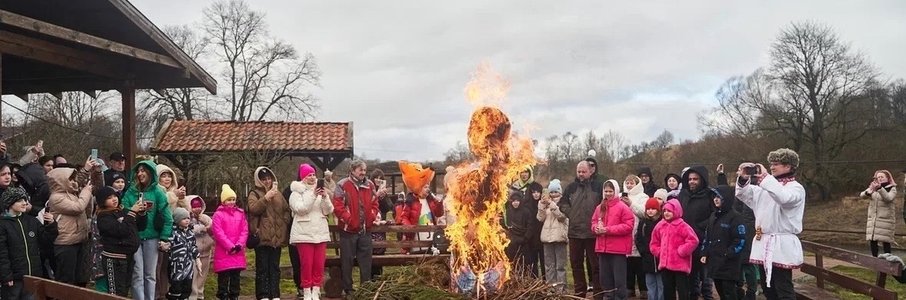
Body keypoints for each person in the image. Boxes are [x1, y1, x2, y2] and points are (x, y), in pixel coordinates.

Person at [735, 148, 805, 300]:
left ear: (788, 166)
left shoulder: (796, 188)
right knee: (769, 289)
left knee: (783, 288)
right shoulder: (765, 188)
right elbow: (743, 194)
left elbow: (784, 198)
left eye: (777, 164)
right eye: (771, 164)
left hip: (781, 243)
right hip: (764, 241)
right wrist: (743, 178)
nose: (772, 167)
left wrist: (766, 178)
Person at [120, 160, 174, 300]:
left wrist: (164, 238)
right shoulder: (130, 192)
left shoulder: (158, 192)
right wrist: (133, 210)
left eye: (143, 170)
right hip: (135, 238)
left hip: (152, 238)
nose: (140, 173)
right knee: (137, 273)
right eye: (138, 171)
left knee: (150, 273)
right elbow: (122, 211)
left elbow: (168, 218)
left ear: (150, 172)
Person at [48, 157, 101, 286]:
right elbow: (78, 207)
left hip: (79, 240)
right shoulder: (56, 198)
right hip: (66, 244)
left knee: (80, 279)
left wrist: (86, 169)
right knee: (66, 281)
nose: (74, 182)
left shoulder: (71, 192)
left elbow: (77, 181)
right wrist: (86, 192)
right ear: (61, 181)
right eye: (69, 179)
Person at [331, 160, 381, 296]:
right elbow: (338, 206)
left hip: (365, 230)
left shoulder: (370, 185)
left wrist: (371, 215)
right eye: (360, 170)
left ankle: (365, 289)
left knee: (366, 262)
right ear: (352, 170)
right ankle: (348, 289)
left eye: (364, 170)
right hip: (348, 231)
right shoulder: (342, 185)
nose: (363, 173)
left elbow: (375, 203)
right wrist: (349, 220)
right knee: (347, 262)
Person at [558, 161, 603, 299]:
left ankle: (598, 293)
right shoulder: (571, 187)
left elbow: (604, 204)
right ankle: (579, 292)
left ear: (590, 171)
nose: (581, 174)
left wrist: (599, 216)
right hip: (575, 232)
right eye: (579, 172)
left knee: (596, 266)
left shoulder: (598, 187)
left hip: (592, 233)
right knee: (576, 264)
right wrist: (571, 213)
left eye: (583, 171)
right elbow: (562, 203)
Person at [289, 163, 333, 300]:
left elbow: (328, 210)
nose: (312, 177)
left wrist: (325, 197)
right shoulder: (296, 193)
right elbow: (301, 209)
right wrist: (313, 196)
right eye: (309, 175)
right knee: (307, 264)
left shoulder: (320, 191)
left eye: (314, 174)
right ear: (303, 177)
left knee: (319, 264)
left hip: (320, 233)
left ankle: (316, 289)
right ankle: (307, 291)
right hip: (304, 234)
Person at [247, 166, 291, 300]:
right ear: (259, 180)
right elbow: (253, 209)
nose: (267, 181)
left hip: (277, 237)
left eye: (268, 178)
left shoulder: (278, 194)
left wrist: (284, 222)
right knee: (262, 268)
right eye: (264, 179)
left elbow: (286, 210)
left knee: (274, 268)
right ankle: (263, 295)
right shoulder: (254, 193)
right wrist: (266, 198)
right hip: (262, 236)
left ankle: (275, 294)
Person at [96, 186, 146, 297]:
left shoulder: (122, 211)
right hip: (113, 258)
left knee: (124, 290)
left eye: (114, 196)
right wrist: (132, 213)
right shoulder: (103, 217)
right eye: (109, 198)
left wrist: (141, 214)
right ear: (102, 201)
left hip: (128, 257)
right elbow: (121, 230)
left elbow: (140, 227)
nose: (114, 199)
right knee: (115, 292)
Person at [592, 179, 635, 300]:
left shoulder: (623, 207)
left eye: (610, 191)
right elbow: (593, 222)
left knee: (619, 282)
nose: (608, 194)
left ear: (616, 191)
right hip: (602, 249)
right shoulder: (599, 207)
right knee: (605, 280)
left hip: (618, 250)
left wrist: (608, 230)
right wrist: (596, 228)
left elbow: (628, 226)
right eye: (606, 191)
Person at [0, 187, 46, 299]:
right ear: (10, 203)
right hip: (14, 279)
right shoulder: (3, 225)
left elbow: (46, 240)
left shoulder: (32, 221)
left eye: (25, 200)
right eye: (19, 200)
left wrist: (51, 225)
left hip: (33, 275)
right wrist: (6, 275)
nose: (25, 203)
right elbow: (2, 253)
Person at [700, 186, 746, 300]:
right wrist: (704, 252)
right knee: (720, 291)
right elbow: (707, 236)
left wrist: (728, 253)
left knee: (729, 292)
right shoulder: (713, 216)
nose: (716, 199)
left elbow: (740, 240)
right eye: (714, 196)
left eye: (719, 197)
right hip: (715, 263)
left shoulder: (735, 217)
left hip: (729, 264)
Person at [651, 199, 700, 300]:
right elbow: (654, 242)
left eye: (669, 211)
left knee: (683, 291)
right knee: (668, 291)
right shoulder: (660, 225)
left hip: (680, 266)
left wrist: (682, 251)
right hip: (665, 265)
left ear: (676, 211)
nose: (666, 213)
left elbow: (693, 240)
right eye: (664, 211)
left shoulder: (683, 226)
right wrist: (659, 252)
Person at [679, 165, 714, 300]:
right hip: (686, 241)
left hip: (703, 240)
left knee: (705, 275)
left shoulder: (709, 195)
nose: (692, 182)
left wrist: (701, 226)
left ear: (702, 180)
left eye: (695, 179)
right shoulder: (683, 194)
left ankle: (708, 296)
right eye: (689, 179)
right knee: (691, 275)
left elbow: (714, 215)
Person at [395, 161, 443, 254]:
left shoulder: (430, 200)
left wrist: (439, 203)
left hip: (431, 239)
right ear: (419, 187)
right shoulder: (410, 201)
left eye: (428, 186)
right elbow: (403, 217)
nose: (428, 189)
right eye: (425, 187)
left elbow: (439, 213)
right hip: (417, 240)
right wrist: (410, 229)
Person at [157, 164, 190, 298]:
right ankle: (157, 293)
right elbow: (161, 204)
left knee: (170, 266)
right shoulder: (157, 191)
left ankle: (168, 292)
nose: (167, 179)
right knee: (158, 267)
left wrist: (182, 198)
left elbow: (185, 212)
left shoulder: (174, 191)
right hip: (160, 233)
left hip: (175, 235)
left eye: (169, 176)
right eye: (163, 176)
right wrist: (173, 195)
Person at [211, 184, 248, 300]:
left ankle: (234, 295)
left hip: (237, 251)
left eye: (233, 199)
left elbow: (244, 230)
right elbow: (218, 233)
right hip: (224, 252)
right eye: (229, 200)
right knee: (224, 276)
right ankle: (223, 295)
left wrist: (239, 245)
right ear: (223, 201)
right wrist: (229, 246)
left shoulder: (240, 214)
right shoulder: (218, 215)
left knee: (235, 277)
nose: (231, 202)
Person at [538, 179, 568, 292]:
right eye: (552, 192)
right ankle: (551, 289)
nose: (554, 194)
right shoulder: (546, 204)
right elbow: (540, 218)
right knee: (549, 266)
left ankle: (561, 290)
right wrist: (541, 206)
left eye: (556, 192)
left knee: (560, 267)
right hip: (547, 238)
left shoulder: (564, 202)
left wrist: (552, 204)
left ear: (560, 192)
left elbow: (561, 216)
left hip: (560, 237)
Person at [860, 170, 897, 257]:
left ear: (887, 178)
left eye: (882, 177)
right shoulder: (873, 187)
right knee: (873, 241)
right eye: (878, 177)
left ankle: (888, 263)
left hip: (885, 220)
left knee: (886, 242)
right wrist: (868, 192)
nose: (879, 179)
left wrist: (880, 189)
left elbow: (888, 198)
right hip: (873, 219)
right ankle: (875, 262)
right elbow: (862, 195)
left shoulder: (892, 188)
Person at [622, 175, 649, 298]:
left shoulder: (643, 197)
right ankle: (629, 287)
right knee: (628, 264)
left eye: (631, 183)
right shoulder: (620, 196)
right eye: (627, 183)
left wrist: (631, 204)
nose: (628, 185)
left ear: (637, 184)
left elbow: (644, 212)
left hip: (638, 232)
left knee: (640, 264)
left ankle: (643, 289)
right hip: (625, 232)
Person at [167, 207, 199, 300]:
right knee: (175, 289)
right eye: (184, 218)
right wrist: (165, 246)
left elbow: (193, 246)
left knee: (187, 288)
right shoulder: (173, 232)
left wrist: (197, 257)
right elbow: (168, 245)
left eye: (188, 218)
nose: (187, 220)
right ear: (177, 219)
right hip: (176, 266)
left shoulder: (190, 233)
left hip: (188, 266)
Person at [637, 197, 664, 300]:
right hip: (647, 258)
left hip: (660, 259)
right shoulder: (643, 222)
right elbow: (638, 238)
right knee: (650, 284)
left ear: (658, 210)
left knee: (661, 284)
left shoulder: (662, 222)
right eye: (648, 209)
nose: (650, 211)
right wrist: (643, 251)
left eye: (653, 209)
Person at [188, 196, 214, 300]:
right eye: (194, 206)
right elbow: (190, 230)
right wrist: (202, 228)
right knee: (194, 275)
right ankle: (193, 296)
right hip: (194, 252)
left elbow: (212, 228)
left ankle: (200, 294)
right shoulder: (188, 218)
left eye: (199, 206)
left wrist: (206, 223)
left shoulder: (206, 217)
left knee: (202, 275)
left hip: (206, 250)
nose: (197, 209)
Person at [504, 191, 535, 274]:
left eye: (517, 201)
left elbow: (530, 226)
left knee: (524, 263)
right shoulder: (508, 212)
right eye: (513, 201)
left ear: (520, 201)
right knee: (511, 263)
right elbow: (505, 226)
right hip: (511, 242)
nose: (515, 203)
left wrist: (525, 238)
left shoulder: (526, 212)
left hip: (523, 242)